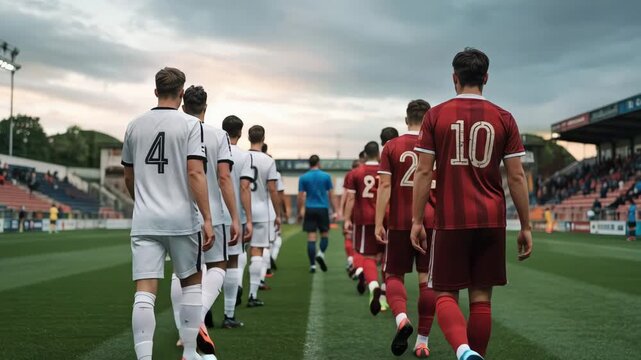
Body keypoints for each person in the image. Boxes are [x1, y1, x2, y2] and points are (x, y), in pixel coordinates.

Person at [411, 48, 532, 360]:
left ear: (454, 78)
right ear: (486, 78)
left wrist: (415, 222)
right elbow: (517, 177)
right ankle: (474, 353)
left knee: (445, 293)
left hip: (451, 218)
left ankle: (463, 351)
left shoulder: (435, 116)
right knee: (481, 299)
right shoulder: (504, 118)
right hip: (492, 218)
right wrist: (527, 225)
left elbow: (424, 171)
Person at [121, 67, 215, 360]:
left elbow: (128, 176)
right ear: (182, 93)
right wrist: (208, 218)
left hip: (146, 219)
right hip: (181, 220)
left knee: (145, 292)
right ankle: (189, 352)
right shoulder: (190, 125)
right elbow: (195, 173)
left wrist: (143, 202)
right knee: (191, 284)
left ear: (155, 91)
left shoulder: (134, 125)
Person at [169, 85, 241, 349]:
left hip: (179, 212)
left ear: (183, 104)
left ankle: (183, 330)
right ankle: (196, 320)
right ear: (205, 107)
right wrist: (235, 216)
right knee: (218, 267)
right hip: (213, 212)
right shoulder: (217, 135)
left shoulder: (174, 132)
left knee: (181, 273)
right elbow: (224, 177)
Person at [375, 99, 435, 358]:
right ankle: (422, 341)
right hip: (431, 220)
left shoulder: (391, 146)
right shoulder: (438, 144)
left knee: (394, 275)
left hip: (400, 220)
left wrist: (379, 222)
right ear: (428, 118)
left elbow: (385, 187)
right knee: (426, 280)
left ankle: (401, 319)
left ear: (406, 118)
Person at [344, 141, 387, 315]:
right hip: (386, 217)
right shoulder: (386, 170)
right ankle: (383, 295)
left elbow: (351, 199)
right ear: (378, 154)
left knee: (367, 257)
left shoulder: (356, 173)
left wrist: (347, 218)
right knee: (385, 258)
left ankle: (374, 286)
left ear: (364, 155)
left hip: (364, 219)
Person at [221, 115, 255, 327]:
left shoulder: (212, 151)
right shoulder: (244, 156)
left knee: (209, 266)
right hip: (234, 217)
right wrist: (248, 219)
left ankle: (203, 316)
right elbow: (244, 188)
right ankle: (229, 315)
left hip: (212, 215)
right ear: (240, 133)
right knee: (233, 262)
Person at [247, 125, 282, 307]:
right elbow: (272, 189)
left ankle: (235, 290)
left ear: (248, 137)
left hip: (241, 211)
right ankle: (252, 294)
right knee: (258, 251)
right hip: (262, 211)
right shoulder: (268, 161)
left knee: (236, 255)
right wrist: (278, 213)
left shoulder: (240, 156)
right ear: (263, 138)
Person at [297, 155, 338, 273]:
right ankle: (320, 253)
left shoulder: (303, 177)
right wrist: (335, 210)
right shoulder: (326, 176)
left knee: (311, 237)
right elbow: (331, 195)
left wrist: (300, 211)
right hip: (323, 208)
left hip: (310, 208)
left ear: (309, 164)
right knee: (324, 235)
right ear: (318, 163)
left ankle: (312, 265)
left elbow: (300, 197)